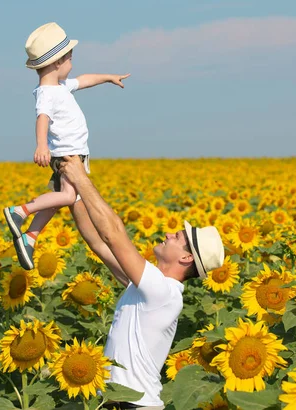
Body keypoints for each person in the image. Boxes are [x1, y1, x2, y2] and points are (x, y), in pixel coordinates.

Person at [59, 155, 225, 409]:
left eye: (177, 236)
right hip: (117, 403)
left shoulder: (164, 293)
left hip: (137, 406)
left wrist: (81, 176)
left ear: (186, 257)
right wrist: (73, 195)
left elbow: (113, 234)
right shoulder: (147, 287)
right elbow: (98, 243)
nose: (168, 233)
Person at [3, 22, 130, 270]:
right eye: (70, 59)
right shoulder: (47, 93)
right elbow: (42, 119)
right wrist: (41, 145)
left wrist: (108, 78)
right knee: (68, 196)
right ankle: (19, 211)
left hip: (73, 154)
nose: (73, 65)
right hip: (68, 157)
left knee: (57, 198)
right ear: (57, 62)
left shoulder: (60, 86)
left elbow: (83, 80)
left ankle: (30, 237)